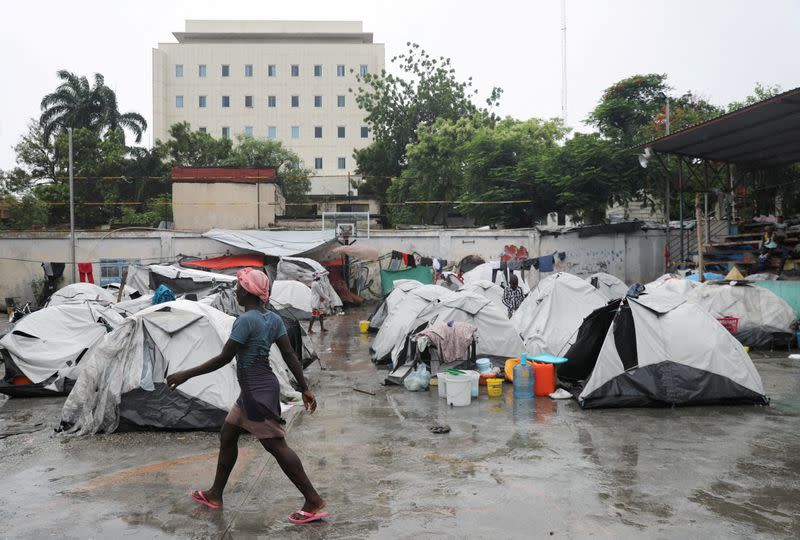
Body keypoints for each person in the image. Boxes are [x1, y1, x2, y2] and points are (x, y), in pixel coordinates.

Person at [166, 268, 328, 524]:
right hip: (257, 389)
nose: (236, 290)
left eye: (239, 286)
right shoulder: (273, 319)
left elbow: (224, 358)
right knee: (228, 434)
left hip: (256, 393)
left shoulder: (245, 321)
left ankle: (313, 499)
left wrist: (185, 374)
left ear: (248, 291)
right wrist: (304, 387)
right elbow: (289, 355)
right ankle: (215, 494)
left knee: (276, 445)